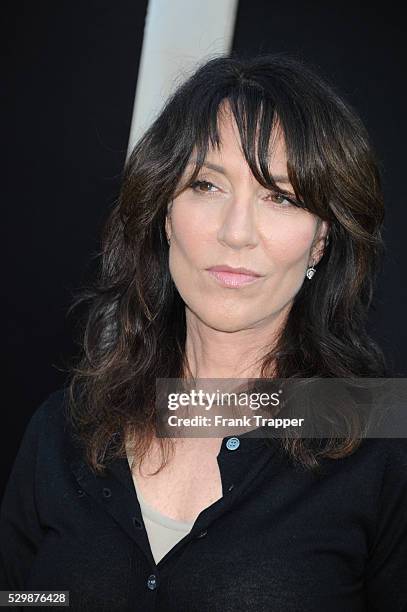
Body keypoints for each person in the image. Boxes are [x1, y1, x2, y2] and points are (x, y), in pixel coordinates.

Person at [1, 53, 406, 612]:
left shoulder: (381, 443)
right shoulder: (64, 430)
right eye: (207, 186)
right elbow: (22, 597)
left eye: (281, 197)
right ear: (165, 213)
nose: (236, 232)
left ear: (321, 240)